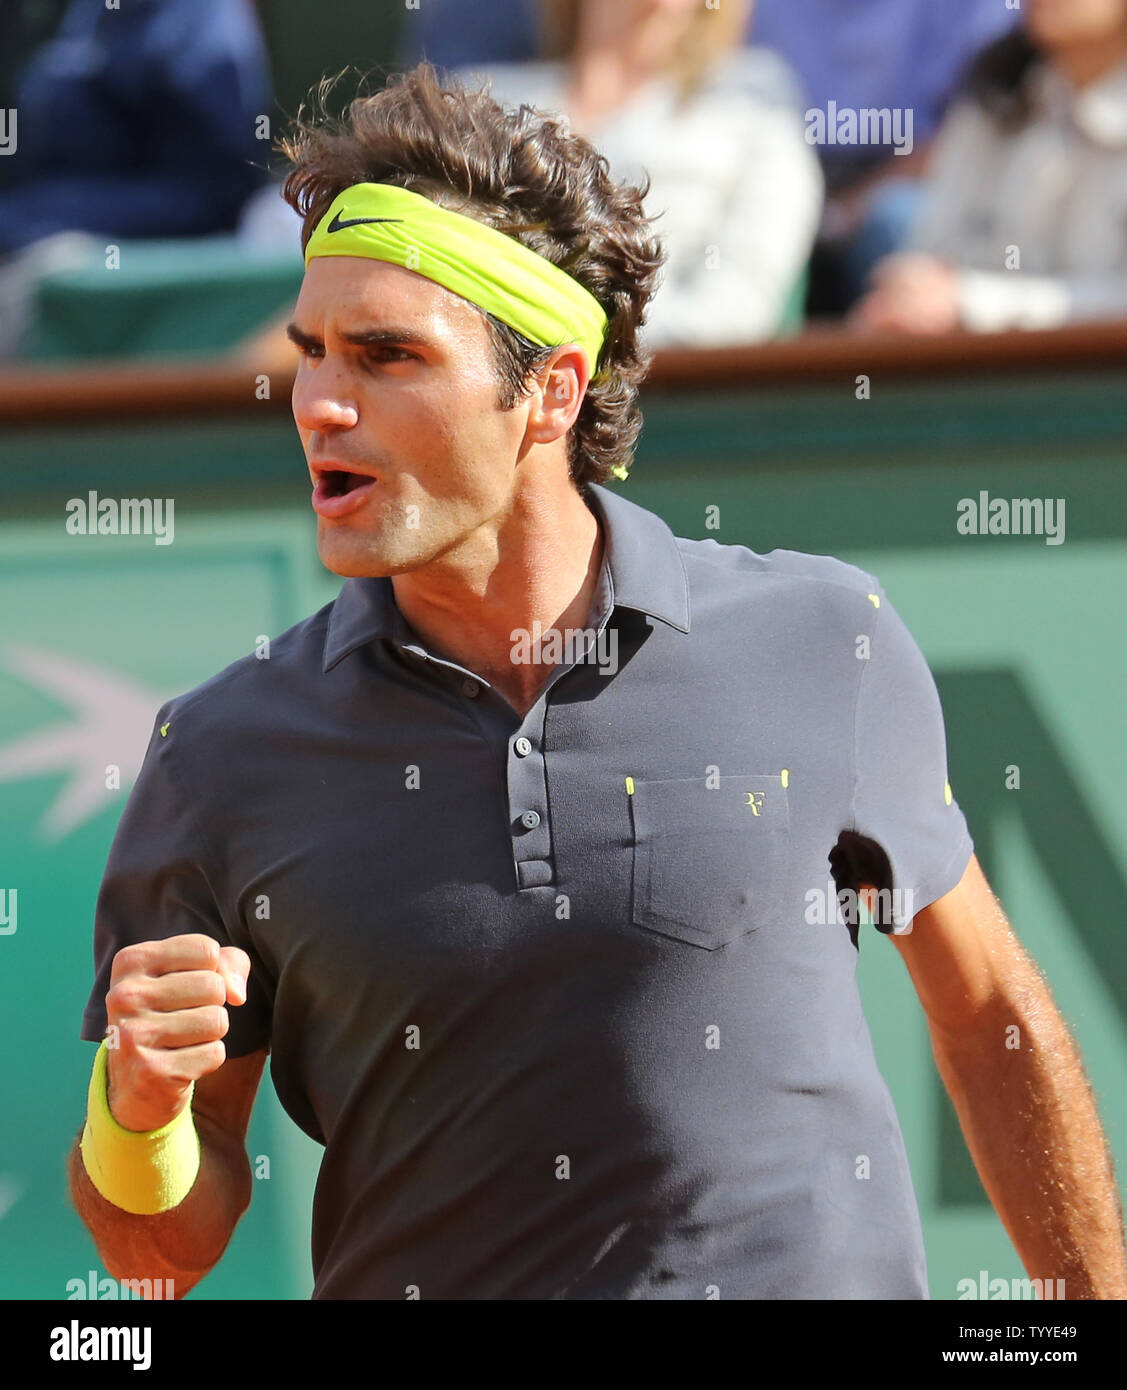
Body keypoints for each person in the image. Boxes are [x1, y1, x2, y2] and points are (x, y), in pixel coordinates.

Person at [68, 62, 1127, 1300]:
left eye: (384, 355)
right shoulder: (220, 750)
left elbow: (988, 1014)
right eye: (309, 353)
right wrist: (137, 1117)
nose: (317, 402)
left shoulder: (822, 634)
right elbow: (159, 1253)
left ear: (550, 392)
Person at [451, 0, 822, 346]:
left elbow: (740, 306)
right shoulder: (477, 99)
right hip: (502, 390)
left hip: (671, 395)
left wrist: (580, 345)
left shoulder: (755, 95)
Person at [852, 0, 1127, 335]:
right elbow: (933, 252)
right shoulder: (995, 96)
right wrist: (908, 299)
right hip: (984, 375)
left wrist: (976, 302)